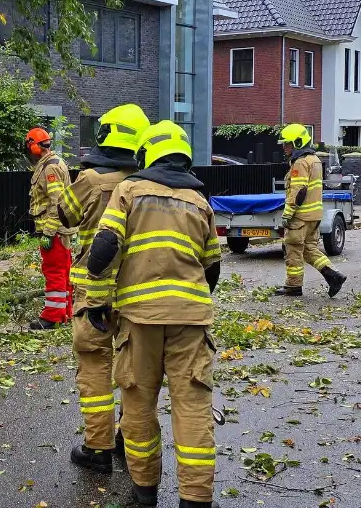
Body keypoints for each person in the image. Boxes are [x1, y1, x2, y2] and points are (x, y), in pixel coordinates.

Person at [86, 121, 223, 508]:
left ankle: (144, 492)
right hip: (190, 322)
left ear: (147, 154)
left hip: (139, 320)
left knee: (138, 406)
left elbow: (104, 249)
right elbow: (212, 266)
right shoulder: (200, 201)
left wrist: (97, 304)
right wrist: (189, 303)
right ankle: (195, 500)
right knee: (193, 407)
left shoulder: (129, 191)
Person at [57, 104, 149, 474]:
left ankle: (97, 447)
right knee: (134, 367)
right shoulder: (148, 184)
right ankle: (130, 441)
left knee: (94, 365)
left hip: (93, 291)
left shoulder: (91, 180)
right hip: (134, 291)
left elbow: (64, 214)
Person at [274, 124, 347, 298]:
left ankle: (293, 286)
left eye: (288, 144)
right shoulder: (314, 160)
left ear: (298, 142)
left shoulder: (300, 162)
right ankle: (334, 276)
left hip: (300, 216)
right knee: (309, 249)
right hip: (314, 215)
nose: (284, 147)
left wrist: (288, 213)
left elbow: (298, 191)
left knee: (293, 249)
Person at [25, 126, 73, 330]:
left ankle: (52, 316)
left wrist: (48, 232)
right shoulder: (53, 163)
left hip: (54, 230)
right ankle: (65, 313)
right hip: (61, 230)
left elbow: (57, 202)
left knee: (54, 271)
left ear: (34, 147)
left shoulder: (50, 168)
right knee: (64, 273)